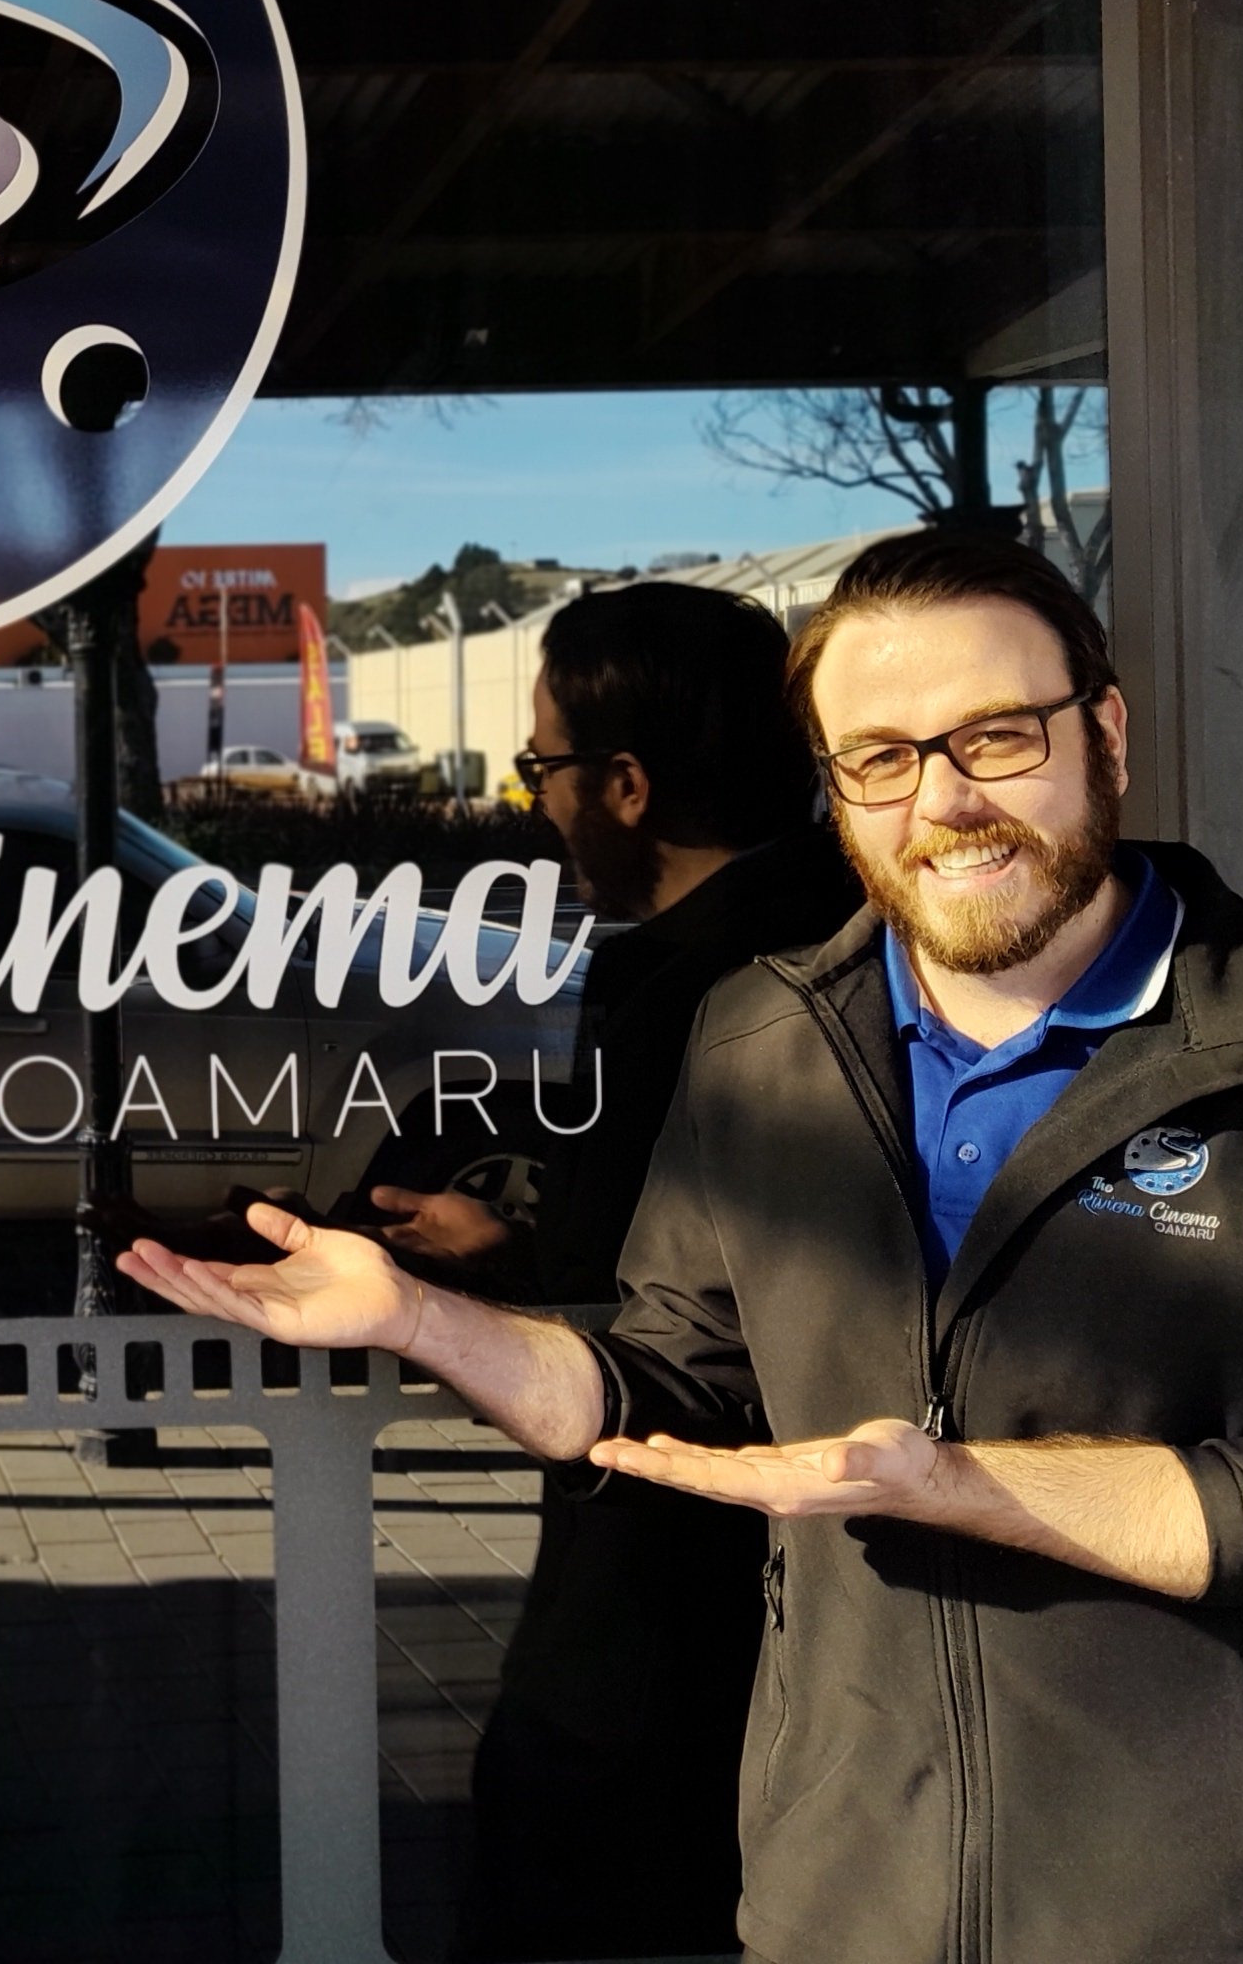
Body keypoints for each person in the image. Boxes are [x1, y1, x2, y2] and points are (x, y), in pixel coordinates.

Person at [120, 533, 1243, 1964]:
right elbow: (676, 1379)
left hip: (1225, 1919)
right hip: (841, 1905)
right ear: (834, 789)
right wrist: (421, 1320)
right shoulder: (765, 1039)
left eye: (997, 737)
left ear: (1105, 732)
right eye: (879, 759)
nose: (944, 800)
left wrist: (960, 1484)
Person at [369, 584, 859, 1960]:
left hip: (669, 1569)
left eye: (543, 767)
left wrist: (493, 1281)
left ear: (628, 785)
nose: (537, 802)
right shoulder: (854, 943)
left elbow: (672, 1321)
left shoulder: (713, 995)